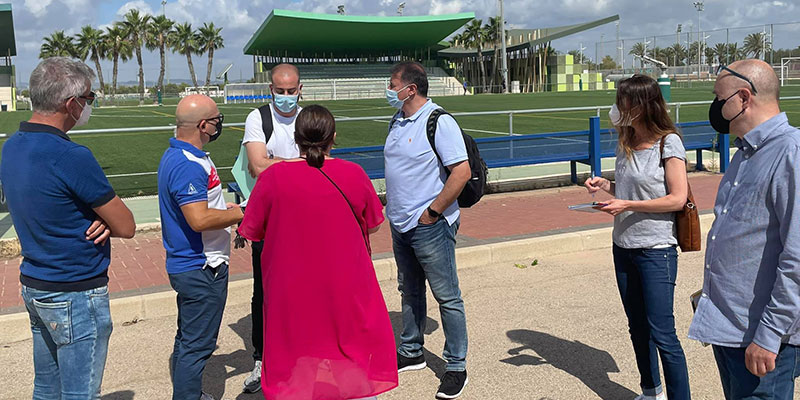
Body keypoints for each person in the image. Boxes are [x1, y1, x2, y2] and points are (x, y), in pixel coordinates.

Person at [238, 104, 397, 399]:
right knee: (351, 354)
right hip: (345, 282)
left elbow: (253, 230)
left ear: (296, 138)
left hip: (293, 287)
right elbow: (373, 223)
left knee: (298, 359)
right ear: (333, 136)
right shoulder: (353, 173)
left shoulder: (273, 178)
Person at [0, 57, 136, 399]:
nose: (88, 106)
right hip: (75, 291)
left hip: (36, 284)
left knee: (46, 388)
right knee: (80, 392)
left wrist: (99, 217)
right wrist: (106, 218)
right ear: (71, 104)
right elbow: (127, 225)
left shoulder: (12, 145)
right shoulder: (71, 155)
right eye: (88, 99)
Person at [688, 59, 800, 399]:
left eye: (719, 99)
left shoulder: (791, 154)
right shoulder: (746, 155)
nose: (716, 108)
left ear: (743, 98)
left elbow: (797, 257)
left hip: (763, 342)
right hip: (730, 330)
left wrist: (768, 335)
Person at [584, 74, 691, 400]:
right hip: (624, 246)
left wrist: (627, 203)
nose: (617, 108)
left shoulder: (668, 143)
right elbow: (628, 190)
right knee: (637, 327)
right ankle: (651, 391)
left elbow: (677, 198)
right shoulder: (626, 142)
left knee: (663, 333)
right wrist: (605, 187)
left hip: (656, 249)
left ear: (642, 105)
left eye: (622, 102)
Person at [384, 61, 472, 399]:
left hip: (429, 225)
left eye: (392, 84)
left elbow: (460, 172)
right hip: (401, 222)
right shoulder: (398, 119)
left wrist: (433, 212)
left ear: (410, 89)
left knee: (447, 296)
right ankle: (411, 351)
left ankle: (456, 366)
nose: (389, 90)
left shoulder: (439, 121)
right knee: (409, 290)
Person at [157, 94, 243, 400]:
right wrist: (240, 213)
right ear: (204, 125)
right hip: (202, 267)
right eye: (217, 120)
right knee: (198, 346)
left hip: (192, 265)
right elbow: (199, 218)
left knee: (187, 339)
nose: (220, 125)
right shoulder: (188, 163)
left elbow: (204, 206)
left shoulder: (180, 155)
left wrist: (225, 207)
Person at [240, 63, 303, 394]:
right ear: (270, 88)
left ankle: (301, 354)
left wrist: (277, 163)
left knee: (305, 290)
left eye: (291, 91)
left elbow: (271, 163)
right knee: (264, 292)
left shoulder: (309, 118)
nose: (286, 97)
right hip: (269, 221)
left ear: (300, 89)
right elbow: (257, 165)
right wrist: (304, 164)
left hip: (305, 221)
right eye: (280, 91)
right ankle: (262, 358)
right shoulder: (259, 118)